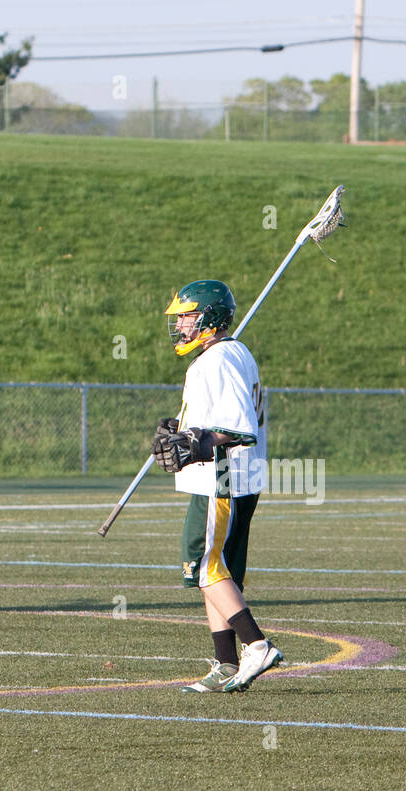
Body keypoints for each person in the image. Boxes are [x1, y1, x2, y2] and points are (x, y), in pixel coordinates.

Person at [150, 280, 283, 694]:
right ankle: (226, 664)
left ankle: (256, 645)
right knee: (220, 571)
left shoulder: (216, 360)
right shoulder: (234, 352)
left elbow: (238, 426)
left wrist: (198, 442)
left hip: (221, 478)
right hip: (237, 478)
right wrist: (184, 429)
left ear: (208, 317)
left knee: (204, 564)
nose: (181, 325)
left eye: (188, 316)